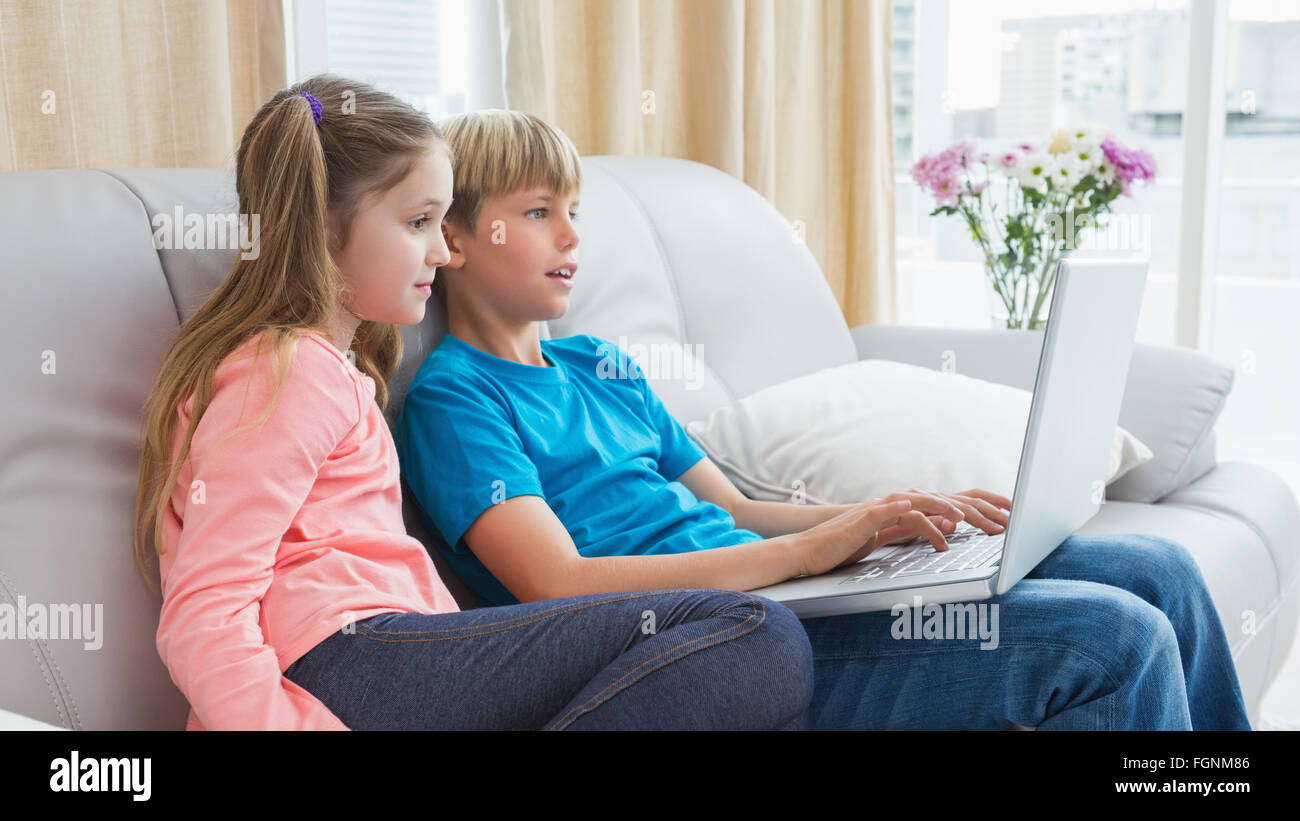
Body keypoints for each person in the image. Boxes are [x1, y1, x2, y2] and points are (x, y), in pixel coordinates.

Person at [396, 108, 1252, 731]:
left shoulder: (605, 366)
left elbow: (735, 510)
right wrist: (813, 553)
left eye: (575, 210)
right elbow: (557, 583)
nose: (571, 236)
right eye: (539, 212)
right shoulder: (456, 397)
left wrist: (879, 522)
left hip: (794, 585)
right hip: (734, 636)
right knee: (1113, 640)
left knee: (1160, 568)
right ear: (455, 240)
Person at [132, 75, 818, 731]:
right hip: (345, 657)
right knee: (754, 632)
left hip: (391, 650)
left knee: (766, 691)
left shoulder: (330, 370)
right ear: (323, 229)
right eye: (419, 221)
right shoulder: (282, 370)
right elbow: (206, 606)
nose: (442, 248)